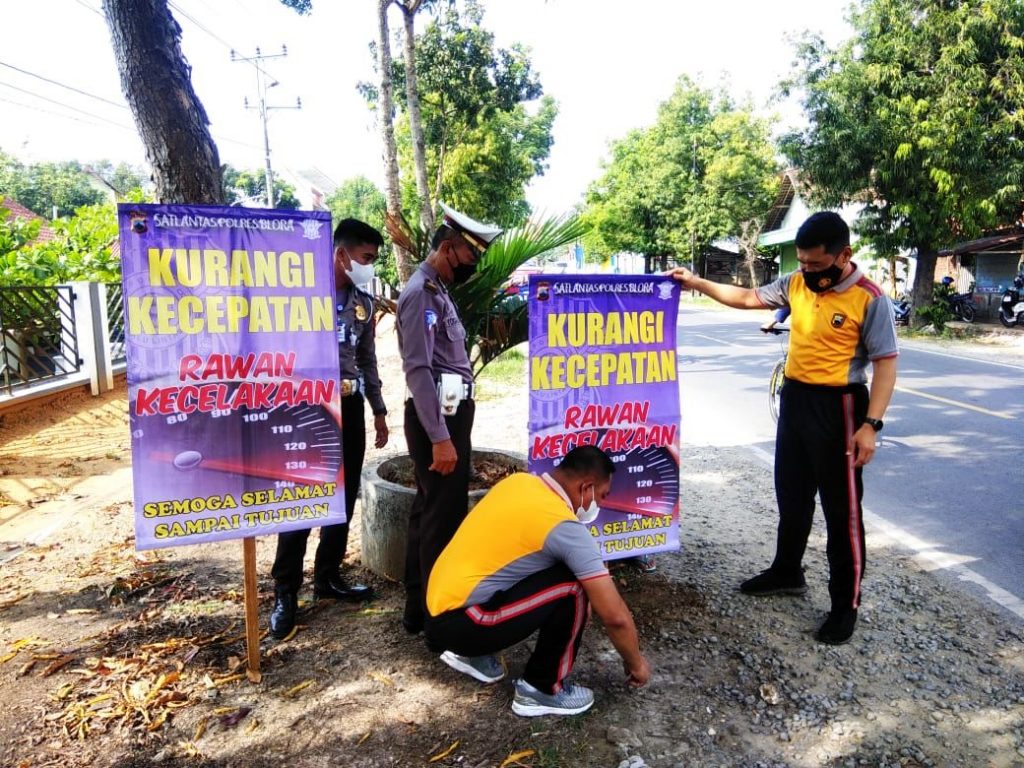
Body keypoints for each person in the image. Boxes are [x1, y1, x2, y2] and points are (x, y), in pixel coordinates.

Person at [670, 211, 898, 645]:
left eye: (816, 263)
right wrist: (695, 282)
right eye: (802, 262)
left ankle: (845, 604)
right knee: (792, 496)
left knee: (842, 512)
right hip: (795, 399)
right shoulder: (795, 283)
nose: (807, 270)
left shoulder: (870, 298)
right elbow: (745, 298)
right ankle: (787, 571)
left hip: (840, 407)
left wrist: (871, 425)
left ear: (843, 255)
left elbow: (886, 365)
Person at [424, 446, 650, 716]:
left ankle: (471, 655)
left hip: (438, 611)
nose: (599, 505)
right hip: (465, 625)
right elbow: (615, 616)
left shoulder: (519, 483)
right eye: (602, 496)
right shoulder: (563, 526)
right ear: (586, 487)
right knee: (575, 587)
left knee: (551, 567)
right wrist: (636, 663)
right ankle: (542, 688)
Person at [269, 218, 390, 639]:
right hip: (307, 406)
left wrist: (378, 409)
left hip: (350, 405)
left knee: (343, 492)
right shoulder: (299, 296)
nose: (370, 266)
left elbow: (367, 358)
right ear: (341, 254)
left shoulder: (363, 304)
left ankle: (328, 576)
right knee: (302, 494)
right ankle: (286, 590)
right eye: (366, 257)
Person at [397, 203, 503, 635]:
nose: (472, 264)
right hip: (438, 417)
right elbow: (418, 370)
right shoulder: (422, 293)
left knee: (429, 510)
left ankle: (418, 608)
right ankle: (438, 617)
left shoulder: (438, 290)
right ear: (447, 248)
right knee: (442, 518)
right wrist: (441, 438)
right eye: (469, 255)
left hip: (448, 412)